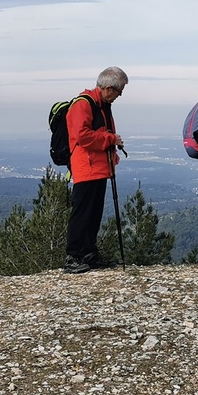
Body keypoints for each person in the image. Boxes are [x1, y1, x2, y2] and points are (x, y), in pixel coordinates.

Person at [63, 66, 128, 274]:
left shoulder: (102, 105)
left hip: (99, 168)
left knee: (94, 213)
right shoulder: (83, 105)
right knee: (82, 213)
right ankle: (72, 256)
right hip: (86, 168)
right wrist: (111, 139)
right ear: (109, 88)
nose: (120, 96)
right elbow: (82, 137)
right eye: (119, 91)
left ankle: (89, 253)